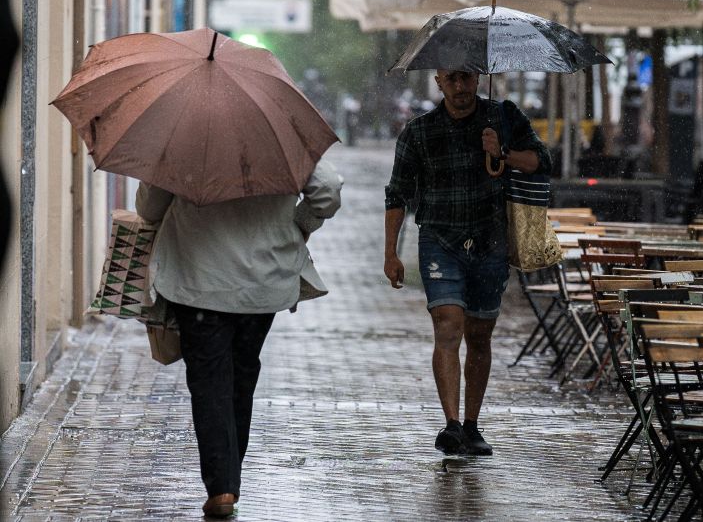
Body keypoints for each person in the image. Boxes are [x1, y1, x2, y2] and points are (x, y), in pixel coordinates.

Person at [136, 159, 342, 518]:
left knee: (210, 381)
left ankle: (222, 485)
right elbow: (326, 191)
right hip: (263, 281)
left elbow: (149, 207)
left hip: (198, 280)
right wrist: (300, 222)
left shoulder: (185, 139)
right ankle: (228, 479)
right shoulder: (279, 136)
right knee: (241, 376)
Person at [383, 70, 551, 455]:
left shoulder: (504, 118)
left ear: (478, 78)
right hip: (440, 241)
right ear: (438, 81)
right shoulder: (418, 131)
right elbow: (397, 193)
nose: (460, 87)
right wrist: (390, 252)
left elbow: (541, 162)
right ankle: (452, 425)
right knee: (448, 325)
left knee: (479, 334)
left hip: (491, 243)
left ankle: (472, 425)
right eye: (451, 80)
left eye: (466, 78)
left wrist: (501, 152)